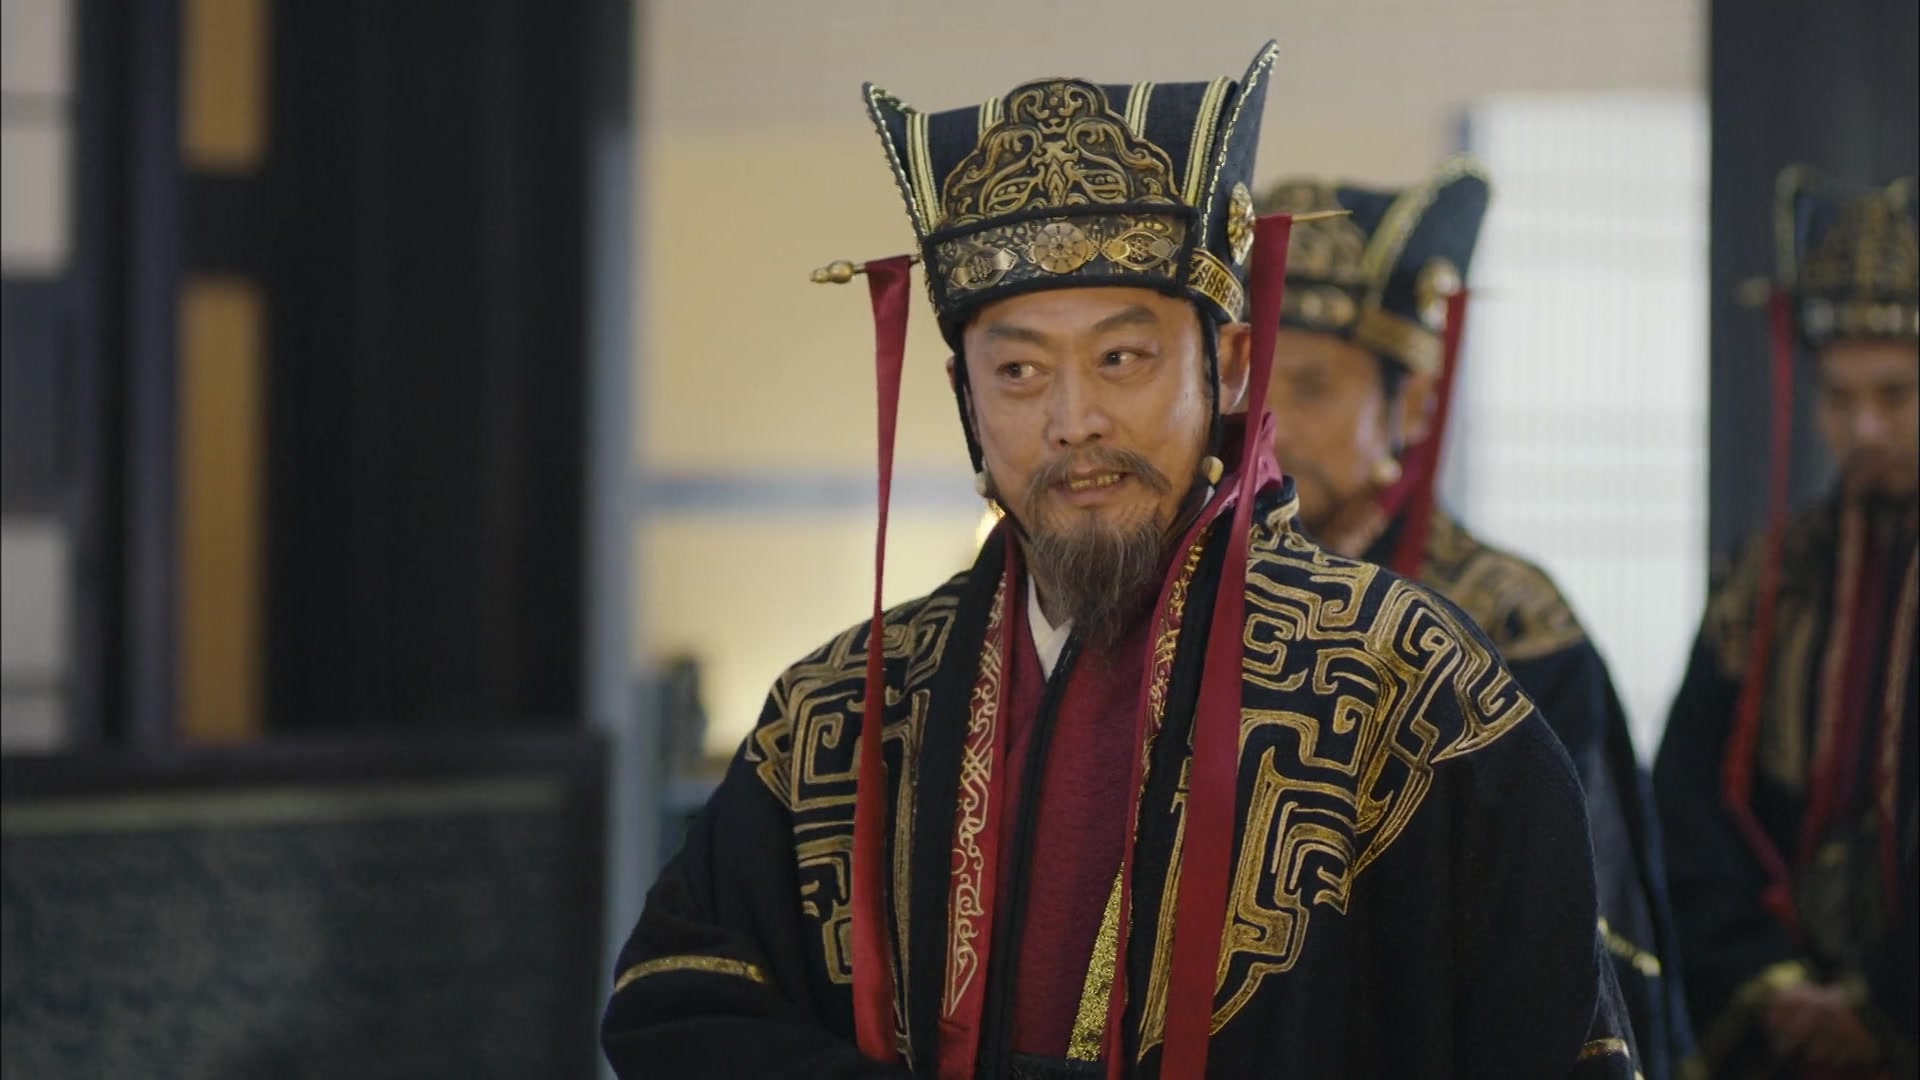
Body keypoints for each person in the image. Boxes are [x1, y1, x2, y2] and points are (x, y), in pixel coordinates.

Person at [602, 44, 1639, 1078]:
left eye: (1123, 359)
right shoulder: (845, 705)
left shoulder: (1404, 681)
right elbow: (674, 1001)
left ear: (1229, 367)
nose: (1075, 419)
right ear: (965, 399)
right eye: (1018, 370)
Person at [1258, 163, 1697, 1080]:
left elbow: (1577, 925)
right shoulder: (1195, 605)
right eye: (1247, 384)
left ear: (1413, 403)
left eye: (1311, 387)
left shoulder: (1510, 616)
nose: (1269, 427)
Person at [1655, 168, 1917, 1078]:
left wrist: (1885, 1002)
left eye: (1896, 395)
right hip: (1784, 1016)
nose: (1864, 428)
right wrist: (1769, 983)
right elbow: (1688, 799)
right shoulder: (1772, 573)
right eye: (1839, 398)